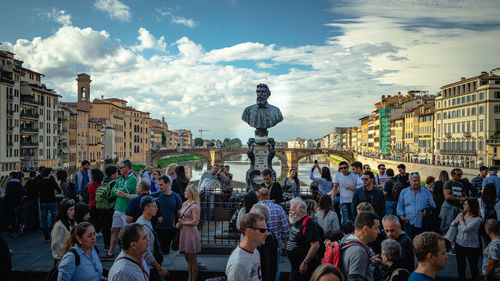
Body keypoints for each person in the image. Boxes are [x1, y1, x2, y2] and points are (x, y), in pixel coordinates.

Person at [103, 160, 137, 259]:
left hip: (126, 209)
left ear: (126, 169)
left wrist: (119, 191)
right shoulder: (120, 179)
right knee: (114, 229)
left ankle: (127, 253)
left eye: (120, 168)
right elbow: (113, 191)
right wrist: (119, 191)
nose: (119, 170)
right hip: (118, 208)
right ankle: (110, 252)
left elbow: (124, 191)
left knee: (127, 232)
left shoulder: (133, 179)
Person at [256, 187, 289, 274]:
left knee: (260, 269)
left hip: (259, 246)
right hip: (275, 245)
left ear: (259, 196)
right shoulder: (278, 208)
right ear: (269, 196)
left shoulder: (254, 209)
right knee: (275, 270)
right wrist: (286, 240)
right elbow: (286, 228)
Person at [339, 211, 380, 281]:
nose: (379, 231)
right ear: (365, 229)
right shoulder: (358, 252)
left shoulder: (347, 242)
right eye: (376, 228)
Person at [226, 213, 268, 281]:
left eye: (267, 228)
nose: (267, 233)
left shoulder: (255, 251)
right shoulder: (237, 264)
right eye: (262, 230)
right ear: (249, 231)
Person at [286, 198, 321, 281]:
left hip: (305, 268)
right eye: (290, 210)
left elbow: (315, 245)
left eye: (292, 210)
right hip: (295, 266)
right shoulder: (297, 220)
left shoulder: (309, 223)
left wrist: (305, 262)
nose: (289, 212)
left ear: (301, 213)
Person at [136, 196, 169, 280]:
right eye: (154, 206)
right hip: (147, 266)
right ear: (146, 208)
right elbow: (146, 252)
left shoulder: (147, 221)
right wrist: (159, 269)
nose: (156, 209)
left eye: (156, 206)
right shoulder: (142, 225)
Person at [396, 173, 435, 238]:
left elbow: (433, 206)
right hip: (408, 223)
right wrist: (401, 217)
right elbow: (400, 206)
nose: (417, 182)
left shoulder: (426, 192)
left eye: (418, 180)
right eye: (414, 181)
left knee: (421, 242)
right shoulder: (404, 192)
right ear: (409, 181)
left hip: (422, 223)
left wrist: (426, 212)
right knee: (408, 242)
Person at [452, 197, 482, 281]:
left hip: (471, 246)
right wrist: (454, 223)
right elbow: (452, 224)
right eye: (464, 204)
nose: (464, 206)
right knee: (460, 267)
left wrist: (460, 221)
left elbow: (466, 229)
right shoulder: (461, 214)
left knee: (473, 267)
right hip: (459, 244)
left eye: (466, 204)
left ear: (472, 206)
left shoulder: (477, 219)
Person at [177, 185, 201, 281]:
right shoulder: (184, 204)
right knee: (187, 258)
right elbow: (182, 218)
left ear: (191, 193)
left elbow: (196, 222)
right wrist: (179, 223)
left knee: (192, 258)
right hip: (184, 232)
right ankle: (189, 277)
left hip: (191, 233)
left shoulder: (195, 206)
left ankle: (193, 279)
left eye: (187, 191)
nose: (184, 192)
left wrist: (183, 223)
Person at [154, 175, 182, 255]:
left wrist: (179, 226)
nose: (159, 187)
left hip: (171, 228)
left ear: (168, 183)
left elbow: (179, 213)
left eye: (161, 185)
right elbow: (142, 198)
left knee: (166, 251)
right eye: (158, 185)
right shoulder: (156, 195)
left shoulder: (176, 196)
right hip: (157, 228)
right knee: (158, 252)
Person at [251, 203, 278, 281]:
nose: (251, 218)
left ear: (260, 217)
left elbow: (270, 265)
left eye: (253, 215)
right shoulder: (260, 232)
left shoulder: (268, 237)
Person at [97, 165, 119, 253]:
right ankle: (111, 245)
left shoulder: (103, 181)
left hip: (102, 206)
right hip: (110, 207)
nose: (117, 174)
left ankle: (106, 245)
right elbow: (114, 195)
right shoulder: (113, 183)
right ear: (113, 174)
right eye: (116, 172)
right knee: (112, 228)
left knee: (105, 227)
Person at [39, 167, 63, 241]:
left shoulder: (40, 182)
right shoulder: (52, 181)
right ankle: (55, 234)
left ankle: (46, 236)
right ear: (49, 174)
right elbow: (59, 191)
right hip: (52, 201)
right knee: (55, 218)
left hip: (43, 202)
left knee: (44, 220)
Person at [439, 168, 465, 235]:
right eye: (458, 174)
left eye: (461, 174)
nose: (460, 176)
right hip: (449, 207)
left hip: (457, 207)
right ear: (452, 175)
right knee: (446, 226)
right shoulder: (448, 184)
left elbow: (464, 196)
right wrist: (459, 199)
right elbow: (447, 196)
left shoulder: (461, 185)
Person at [51, 198, 76, 263]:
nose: (73, 212)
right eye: (71, 210)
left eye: (74, 209)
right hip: (62, 259)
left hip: (71, 257)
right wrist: (69, 251)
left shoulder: (72, 222)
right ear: (64, 211)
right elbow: (56, 245)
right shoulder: (59, 226)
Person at [5, 171, 25, 237]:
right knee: (19, 216)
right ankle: (19, 230)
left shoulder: (9, 183)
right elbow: (24, 191)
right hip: (18, 202)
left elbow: (7, 193)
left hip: (11, 202)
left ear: (11, 176)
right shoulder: (18, 183)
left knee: (13, 217)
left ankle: (14, 231)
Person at [87, 168, 104, 234]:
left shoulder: (91, 185)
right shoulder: (102, 185)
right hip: (101, 205)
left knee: (94, 221)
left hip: (93, 205)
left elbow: (89, 196)